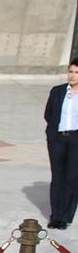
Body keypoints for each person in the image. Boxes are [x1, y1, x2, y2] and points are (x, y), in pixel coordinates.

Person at [44, 58, 78, 230]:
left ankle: (65, 216)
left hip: (76, 140)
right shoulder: (57, 91)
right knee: (57, 178)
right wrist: (52, 134)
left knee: (71, 179)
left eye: (76, 73)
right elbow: (48, 114)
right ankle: (55, 216)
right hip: (57, 139)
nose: (72, 76)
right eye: (71, 71)